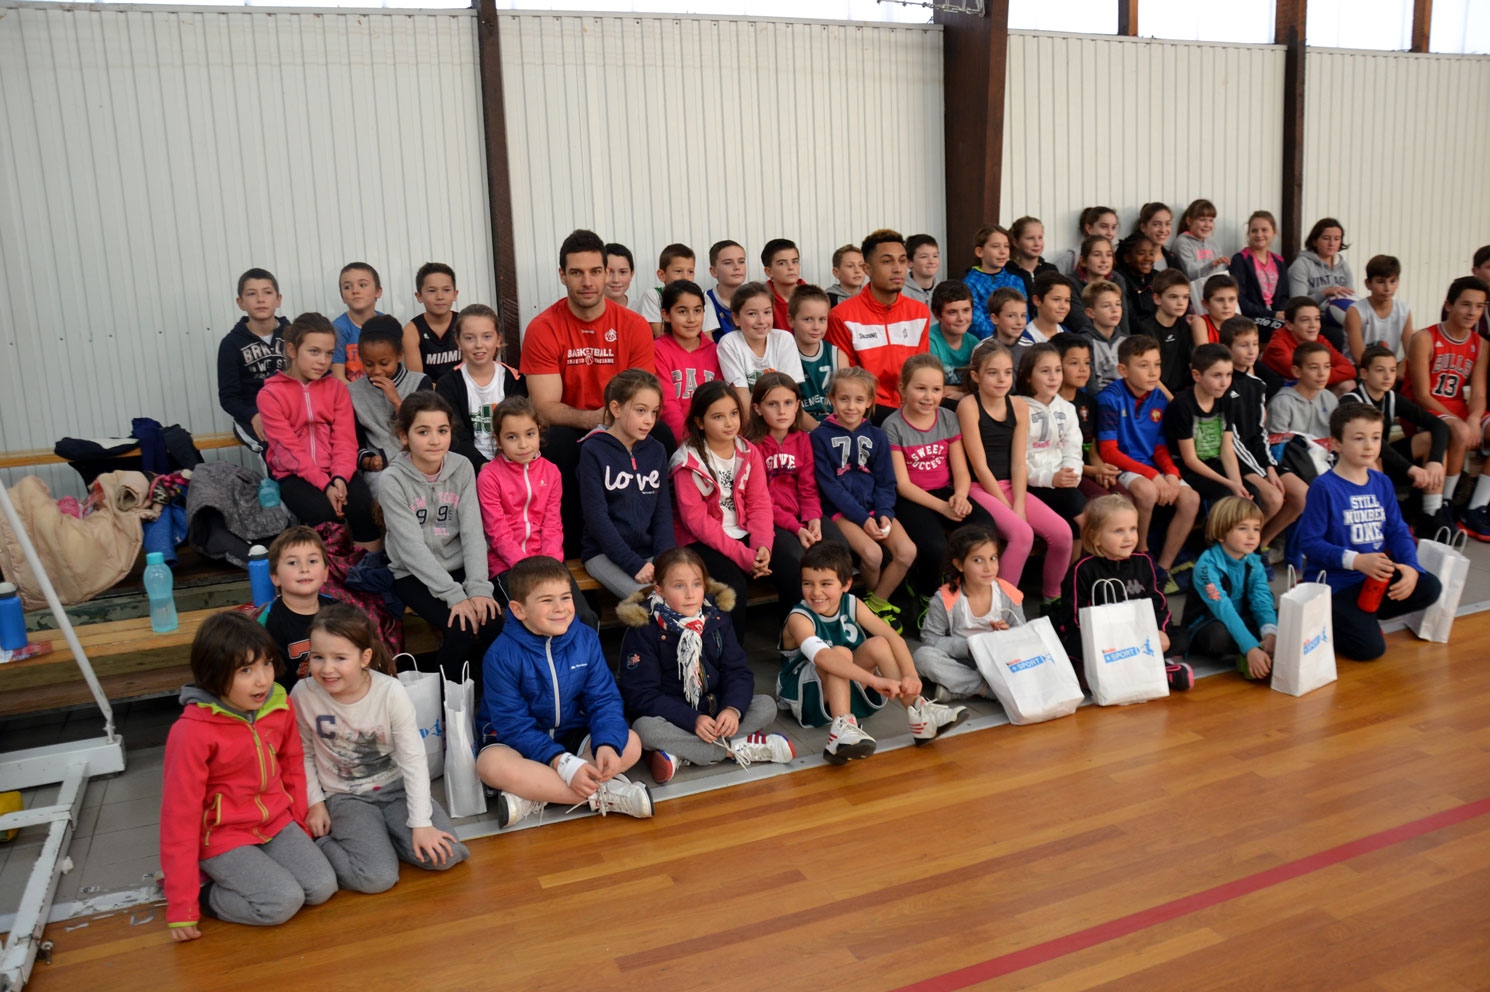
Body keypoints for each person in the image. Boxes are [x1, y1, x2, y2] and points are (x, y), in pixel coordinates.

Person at [160, 613, 336, 940]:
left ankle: (255, 874)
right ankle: (204, 892)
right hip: (222, 836)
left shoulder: (277, 706)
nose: (263, 680)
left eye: (267, 664)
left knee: (321, 886)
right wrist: (181, 905)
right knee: (281, 902)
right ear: (213, 673)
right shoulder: (190, 732)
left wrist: (297, 825)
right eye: (245, 671)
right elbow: (178, 817)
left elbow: (293, 767)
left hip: (274, 823)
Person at [293, 604, 469, 894]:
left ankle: (384, 836)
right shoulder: (303, 694)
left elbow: (413, 760)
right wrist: (315, 803)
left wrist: (421, 823)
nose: (326, 668)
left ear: (364, 657)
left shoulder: (390, 692)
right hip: (346, 797)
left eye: (339, 658)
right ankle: (331, 844)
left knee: (448, 855)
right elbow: (304, 753)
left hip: (395, 789)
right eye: (318, 657)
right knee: (377, 878)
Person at [476, 555, 653, 828]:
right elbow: (513, 726)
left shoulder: (585, 638)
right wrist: (565, 765)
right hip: (519, 746)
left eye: (565, 598)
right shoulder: (500, 656)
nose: (560, 608)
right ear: (519, 610)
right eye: (546, 600)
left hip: (573, 735)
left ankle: (535, 797)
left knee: (629, 743)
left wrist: (605, 743)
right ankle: (605, 796)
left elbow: (603, 699)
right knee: (490, 765)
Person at [522, 229, 660, 558]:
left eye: (596, 272)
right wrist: (595, 419)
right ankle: (572, 554)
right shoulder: (543, 327)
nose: (587, 281)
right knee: (559, 448)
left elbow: (644, 397)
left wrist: (616, 422)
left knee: (661, 439)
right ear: (562, 275)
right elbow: (544, 408)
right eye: (577, 272)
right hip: (571, 427)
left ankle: (655, 546)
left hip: (623, 421)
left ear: (606, 273)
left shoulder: (634, 325)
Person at [616, 547, 795, 784]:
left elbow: (737, 671)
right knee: (644, 729)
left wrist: (732, 709)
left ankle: (681, 753)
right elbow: (642, 695)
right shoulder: (644, 628)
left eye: (697, 584)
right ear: (659, 589)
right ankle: (734, 749)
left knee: (766, 706)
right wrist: (692, 720)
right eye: (679, 586)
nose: (690, 594)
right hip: (673, 717)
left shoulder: (716, 618)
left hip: (714, 709)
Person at [778, 541, 966, 762]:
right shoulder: (799, 617)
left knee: (878, 643)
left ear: (846, 584)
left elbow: (892, 637)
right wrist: (874, 681)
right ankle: (842, 730)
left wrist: (910, 675)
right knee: (840, 653)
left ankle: (920, 713)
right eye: (808, 583)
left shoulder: (852, 603)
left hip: (845, 686)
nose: (816, 592)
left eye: (826, 583)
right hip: (805, 698)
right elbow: (823, 657)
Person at [1295, 404, 1443, 661]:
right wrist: (1356, 560)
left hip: (1374, 579)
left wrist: (1409, 565)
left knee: (1429, 585)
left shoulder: (1381, 482)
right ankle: (1337, 618)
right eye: (1359, 438)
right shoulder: (1324, 487)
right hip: (1335, 584)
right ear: (1336, 444)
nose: (1369, 446)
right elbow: (1310, 543)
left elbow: (1397, 529)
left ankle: (1364, 616)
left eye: (1375, 438)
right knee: (1370, 650)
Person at [381, 392, 500, 683]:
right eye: (423, 431)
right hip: (412, 573)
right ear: (404, 436)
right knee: (458, 626)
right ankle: (448, 709)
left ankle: (494, 703)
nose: (435, 440)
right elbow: (410, 550)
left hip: (457, 564)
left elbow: (473, 532)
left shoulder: (461, 468)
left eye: (442, 431)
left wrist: (479, 589)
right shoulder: (392, 480)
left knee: (492, 620)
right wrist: (454, 595)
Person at [959, 339, 1073, 604]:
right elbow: (979, 465)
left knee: (1063, 534)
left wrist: (1019, 504)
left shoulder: (1019, 406)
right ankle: (1003, 606)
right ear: (976, 376)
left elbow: (1019, 462)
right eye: (992, 373)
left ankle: (1052, 599)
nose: (1002, 379)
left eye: (1007, 372)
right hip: (980, 487)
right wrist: (1005, 504)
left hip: (1012, 485)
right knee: (1022, 533)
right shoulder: (969, 406)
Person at [257, 312, 381, 549]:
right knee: (323, 512)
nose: (322, 361)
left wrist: (340, 478)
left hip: (337, 470)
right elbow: (288, 451)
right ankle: (330, 581)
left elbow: (345, 441)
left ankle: (370, 577)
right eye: (314, 352)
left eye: (328, 353)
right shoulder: (270, 395)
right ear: (292, 350)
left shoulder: (336, 389)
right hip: (293, 474)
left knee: (362, 505)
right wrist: (325, 485)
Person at [476, 396, 599, 628]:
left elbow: (552, 524)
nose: (523, 444)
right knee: (538, 620)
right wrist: (530, 570)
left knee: (584, 618)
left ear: (539, 433)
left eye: (529, 434)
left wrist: (549, 566)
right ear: (499, 441)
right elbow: (497, 533)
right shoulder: (489, 477)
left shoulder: (551, 472)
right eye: (512, 437)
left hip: (548, 562)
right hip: (507, 567)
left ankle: (584, 664)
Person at [882, 355, 996, 605]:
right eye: (920, 388)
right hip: (912, 499)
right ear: (903, 388)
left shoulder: (947, 418)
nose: (928, 396)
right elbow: (903, 484)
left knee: (984, 526)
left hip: (947, 492)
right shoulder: (893, 426)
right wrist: (943, 508)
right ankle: (927, 596)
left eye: (936, 389)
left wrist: (960, 496)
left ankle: (968, 588)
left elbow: (961, 471)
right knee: (935, 546)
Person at [669, 381, 774, 643]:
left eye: (734, 413)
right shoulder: (687, 461)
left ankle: (795, 644)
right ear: (700, 422)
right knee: (733, 587)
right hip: (702, 540)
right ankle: (733, 658)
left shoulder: (749, 452)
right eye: (718, 416)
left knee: (794, 564)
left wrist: (763, 547)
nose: (729, 423)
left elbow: (760, 502)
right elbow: (697, 523)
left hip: (746, 531)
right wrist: (744, 556)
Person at [813, 367, 916, 631]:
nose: (851, 406)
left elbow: (886, 482)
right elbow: (829, 486)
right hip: (841, 511)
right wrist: (861, 518)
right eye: (844, 399)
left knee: (906, 551)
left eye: (859, 400)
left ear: (869, 402)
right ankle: (873, 610)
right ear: (832, 399)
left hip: (874, 507)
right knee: (872, 554)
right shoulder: (819, 437)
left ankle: (875, 605)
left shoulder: (877, 435)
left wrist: (883, 512)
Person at [1095, 335, 1200, 592]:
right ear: (1123, 370)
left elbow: (1159, 446)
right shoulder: (1109, 399)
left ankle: (1162, 568)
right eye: (1144, 365)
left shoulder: (1159, 399)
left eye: (1157, 364)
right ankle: (1139, 553)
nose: (1153, 372)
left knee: (1191, 499)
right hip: (1123, 466)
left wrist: (1172, 474)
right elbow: (1108, 452)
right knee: (1147, 491)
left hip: (1149, 466)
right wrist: (1152, 474)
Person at [1054, 494, 1191, 690]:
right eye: (1118, 531)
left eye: (1133, 529)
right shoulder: (1082, 570)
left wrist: (1160, 630)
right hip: (1102, 641)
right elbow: (1071, 617)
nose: (1128, 537)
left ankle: (1148, 670)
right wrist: (1105, 640)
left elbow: (1158, 604)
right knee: (1073, 648)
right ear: (1095, 537)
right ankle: (1156, 670)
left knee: (1179, 638)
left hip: (1140, 635)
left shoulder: (1144, 563)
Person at [1402, 276, 1490, 539]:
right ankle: (1442, 506)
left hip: (1457, 409)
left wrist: (1474, 418)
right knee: (1456, 432)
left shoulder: (1480, 344)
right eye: (1465, 304)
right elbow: (1421, 394)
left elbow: (1479, 394)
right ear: (1449, 305)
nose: (1472, 312)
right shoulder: (1425, 338)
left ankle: (1475, 508)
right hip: (1423, 409)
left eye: (1479, 306)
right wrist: (1458, 421)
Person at [748, 372, 846, 605]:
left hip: (803, 512)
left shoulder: (803, 440)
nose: (782, 411)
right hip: (771, 519)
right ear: (758, 408)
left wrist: (812, 518)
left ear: (797, 406)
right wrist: (796, 527)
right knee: (795, 558)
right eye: (773, 404)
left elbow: (808, 488)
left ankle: (831, 614)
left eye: (788, 403)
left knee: (839, 547)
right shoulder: (752, 447)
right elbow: (761, 499)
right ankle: (793, 626)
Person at [578, 370, 674, 599]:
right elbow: (596, 518)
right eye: (640, 411)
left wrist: (664, 561)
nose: (649, 420)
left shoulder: (656, 450)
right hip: (604, 554)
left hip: (651, 553)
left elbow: (662, 513)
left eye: (654, 412)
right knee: (655, 603)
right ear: (616, 408)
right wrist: (632, 564)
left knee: (690, 596)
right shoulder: (593, 450)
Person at [1340, 345, 1450, 535]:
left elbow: (1439, 425)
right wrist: (1410, 468)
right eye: (1380, 370)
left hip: (1386, 461)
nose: (1388, 376)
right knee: (1373, 456)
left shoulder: (1391, 397)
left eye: (1392, 370)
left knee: (1429, 439)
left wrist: (1435, 461)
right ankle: (1385, 523)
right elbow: (1375, 446)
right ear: (1364, 373)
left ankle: (1431, 515)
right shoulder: (1351, 401)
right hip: (1354, 466)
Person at [1221, 316, 1307, 552]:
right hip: (1234, 459)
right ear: (1227, 349)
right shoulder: (1222, 384)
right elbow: (1232, 438)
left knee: (1302, 494)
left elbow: (1259, 432)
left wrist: (1269, 467)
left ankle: (1261, 545)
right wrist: (1261, 473)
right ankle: (1238, 549)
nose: (1251, 351)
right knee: (1273, 497)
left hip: (1257, 458)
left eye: (1255, 343)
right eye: (1243, 345)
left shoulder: (1257, 384)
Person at [827, 229, 932, 417]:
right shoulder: (842, 316)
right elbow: (848, 383)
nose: (898, 268)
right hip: (867, 410)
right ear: (867, 269)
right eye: (887, 261)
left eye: (901, 260)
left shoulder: (919, 312)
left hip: (912, 405)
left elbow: (921, 369)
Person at [913, 524, 1025, 701]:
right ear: (959, 564)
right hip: (959, 662)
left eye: (993, 558)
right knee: (923, 657)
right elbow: (930, 640)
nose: (988, 567)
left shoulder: (1008, 595)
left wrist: (1006, 636)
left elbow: (1023, 638)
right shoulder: (945, 598)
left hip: (996, 661)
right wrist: (968, 647)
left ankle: (956, 688)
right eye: (978, 560)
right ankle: (984, 689)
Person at [1164, 344, 1267, 512]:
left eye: (1228, 375)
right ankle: (1217, 537)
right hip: (1187, 468)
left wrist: (1238, 484)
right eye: (1217, 375)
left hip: (1213, 462)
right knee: (1224, 494)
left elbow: (1226, 449)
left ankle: (1246, 537)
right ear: (1197, 375)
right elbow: (1190, 459)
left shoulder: (1225, 401)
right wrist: (1229, 483)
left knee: (1251, 493)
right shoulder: (1182, 405)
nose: (1224, 382)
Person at [1183, 497, 1278, 680]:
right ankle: (1253, 651)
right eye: (1243, 528)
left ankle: (1263, 648)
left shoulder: (1254, 561)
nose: (1252, 536)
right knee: (1218, 636)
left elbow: (1262, 601)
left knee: (1284, 617)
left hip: (1241, 617)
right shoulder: (1206, 566)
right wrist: (1250, 647)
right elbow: (1223, 609)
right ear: (1221, 533)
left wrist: (1270, 634)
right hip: (1209, 623)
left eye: (1256, 529)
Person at [433, 303, 525, 473]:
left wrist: (503, 465)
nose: (478, 345)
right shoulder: (448, 384)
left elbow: (521, 428)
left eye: (486, 337)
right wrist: (482, 465)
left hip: (513, 462)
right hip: (467, 466)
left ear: (498, 339)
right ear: (458, 342)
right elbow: (455, 436)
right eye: (469, 338)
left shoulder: (515, 379)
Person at [349, 315, 432, 497]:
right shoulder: (353, 392)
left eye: (384, 363)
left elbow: (426, 428)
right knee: (386, 486)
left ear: (399, 356)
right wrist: (368, 461)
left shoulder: (419, 382)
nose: (377, 370)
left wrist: (397, 401)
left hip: (418, 461)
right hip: (380, 469)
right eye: (368, 364)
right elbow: (355, 440)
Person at [217, 267, 288, 456]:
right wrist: (253, 415)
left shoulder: (294, 335)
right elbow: (228, 397)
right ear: (241, 302)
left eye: (267, 292)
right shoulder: (231, 344)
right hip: (253, 416)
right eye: (251, 294)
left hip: (291, 411)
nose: (261, 299)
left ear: (278, 299)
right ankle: (273, 485)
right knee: (275, 453)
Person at [256, 525, 336, 690]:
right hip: (291, 703)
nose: (304, 569)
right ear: (275, 577)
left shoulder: (339, 611)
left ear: (326, 572)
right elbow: (273, 682)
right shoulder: (270, 622)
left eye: (312, 561)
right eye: (292, 562)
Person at [1019, 343, 1087, 531]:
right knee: (1073, 504)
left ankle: (1082, 558)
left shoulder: (1067, 409)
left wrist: (1071, 475)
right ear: (1027, 377)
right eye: (1045, 371)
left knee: (1075, 514)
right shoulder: (1019, 409)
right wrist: (1050, 478)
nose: (1053, 377)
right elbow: (1019, 460)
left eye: (1057, 370)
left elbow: (1073, 449)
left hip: (1065, 482)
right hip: (1033, 483)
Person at [717, 280, 806, 410]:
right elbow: (743, 402)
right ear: (736, 318)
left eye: (767, 312)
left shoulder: (784, 339)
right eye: (752, 314)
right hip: (751, 423)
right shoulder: (730, 343)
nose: (761, 321)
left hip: (783, 417)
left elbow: (790, 398)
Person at [652, 279, 722, 441]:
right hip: (674, 439)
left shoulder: (715, 351)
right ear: (666, 315)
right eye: (682, 311)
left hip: (711, 437)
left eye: (697, 311)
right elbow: (667, 405)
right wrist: (689, 441)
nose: (691, 319)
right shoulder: (659, 350)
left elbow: (720, 401)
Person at [1053, 333, 1118, 499]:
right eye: (1074, 363)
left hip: (1089, 469)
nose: (1083, 369)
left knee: (1123, 497)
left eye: (1087, 363)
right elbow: (1054, 456)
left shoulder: (1090, 402)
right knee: (1105, 504)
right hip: (1064, 474)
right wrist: (1093, 471)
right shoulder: (1049, 405)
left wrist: (1101, 471)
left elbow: (1093, 450)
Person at [1261, 297, 1358, 396]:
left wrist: (1321, 374)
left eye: (1317, 319)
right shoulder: (1277, 345)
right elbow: (1301, 375)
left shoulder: (1319, 340)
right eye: (1305, 320)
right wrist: (1325, 373)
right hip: (1284, 396)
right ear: (1290, 325)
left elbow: (1349, 369)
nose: (1313, 325)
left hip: (1310, 387)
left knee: (1348, 385)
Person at [1288, 218, 1355, 350]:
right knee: (1341, 338)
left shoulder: (1343, 266)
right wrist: (1324, 293)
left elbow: (1351, 297)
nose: (1332, 243)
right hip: (1316, 319)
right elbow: (1297, 303)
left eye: (1336, 239)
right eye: (1326, 238)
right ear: (1314, 241)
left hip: (1341, 318)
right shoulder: (1302, 265)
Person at [635, 243, 721, 340]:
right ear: (662, 275)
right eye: (678, 271)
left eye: (690, 272)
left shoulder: (703, 296)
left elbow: (707, 337)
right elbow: (660, 334)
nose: (685, 277)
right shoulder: (654, 296)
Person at [1344, 255, 1413, 365]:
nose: (1387, 288)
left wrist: (1398, 373)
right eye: (1381, 282)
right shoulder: (1355, 311)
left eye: (1392, 281)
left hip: (1389, 368)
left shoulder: (1404, 310)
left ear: (1398, 282)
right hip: (1359, 368)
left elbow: (1410, 353)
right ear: (1368, 284)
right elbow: (1359, 357)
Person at [1140, 268, 1198, 397]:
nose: (1181, 303)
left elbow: (1192, 364)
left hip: (1183, 392)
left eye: (1185, 297)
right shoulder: (1145, 329)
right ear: (1157, 299)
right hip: (1155, 394)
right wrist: (1172, 400)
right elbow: (1148, 373)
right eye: (1173, 297)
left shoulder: (1185, 326)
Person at [1268, 341, 1340, 443]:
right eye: (1314, 367)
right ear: (1297, 372)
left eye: (1327, 367)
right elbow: (1277, 445)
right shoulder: (1282, 403)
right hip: (1294, 456)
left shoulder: (1330, 398)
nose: (1322, 373)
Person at [400, 262, 461, 383]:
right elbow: (417, 381)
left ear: (455, 294)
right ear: (419, 296)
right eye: (432, 291)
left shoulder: (465, 324)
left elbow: (475, 370)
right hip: (430, 396)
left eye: (446, 290)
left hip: (464, 391)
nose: (440, 296)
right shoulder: (411, 331)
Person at [1062, 235, 1131, 337]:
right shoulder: (1071, 283)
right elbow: (1079, 320)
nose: (1104, 260)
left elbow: (1123, 318)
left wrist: (1124, 344)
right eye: (1097, 255)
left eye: (1109, 255)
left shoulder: (1117, 280)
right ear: (1083, 261)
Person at [791, 283, 842, 422]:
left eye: (822, 320)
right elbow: (787, 407)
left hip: (832, 426)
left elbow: (844, 401)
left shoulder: (837, 356)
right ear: (791, 320)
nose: (816, 327)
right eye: (808, 319)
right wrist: (819, 431)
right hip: (798, 427)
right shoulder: (784, 354)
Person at [964, 224, 1024, 341]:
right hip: (988, 345)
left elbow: (1024, 316)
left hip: (1016, 341)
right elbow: (977, 324)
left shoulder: (1016, 281)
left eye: (1006, 246)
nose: (1002, 252)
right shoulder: (970, 284)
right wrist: (1001, 340)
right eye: (995, 246)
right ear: (980, 252)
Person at [1229, 210, 1287, 324]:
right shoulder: (1240, 260)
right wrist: (1272, 314)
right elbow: (1239, 298)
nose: (1259, 235)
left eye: (1264, 230)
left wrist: (1281, 312)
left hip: (1275, 316)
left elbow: (1284, 295)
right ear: (1249, 233)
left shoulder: (1279, 261)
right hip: (1250, 317)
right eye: (1254, 231)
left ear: (1274, 232)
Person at [331, 262, 385, 383]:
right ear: (342, 297)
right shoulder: (338, 329)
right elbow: (338, 378)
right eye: (347, 287)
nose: (355, 291)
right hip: (351, 395)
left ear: (378, 291)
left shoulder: (386, 324)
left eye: (362, 285)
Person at [1075, 278, 1127, 394]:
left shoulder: (1126, 341)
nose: (1115, 310)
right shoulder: (1085, 341)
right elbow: (1090, 386)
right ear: (1090, 313)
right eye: (1106, 306)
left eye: (1118, 304)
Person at [928, 280, 978, 402]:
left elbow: (981, 386)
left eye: (966, 310)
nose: (961, 318)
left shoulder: (975, 343)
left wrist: (963, 394)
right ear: (937, 314)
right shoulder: (929, 341)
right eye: (952, 312)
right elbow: (932, 388)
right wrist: (966, 390)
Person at [1007, 216, 1058, 318]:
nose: (1037, 243)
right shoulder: (1008, 271)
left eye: (1040, 237)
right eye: (1030, 238)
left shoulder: (1050, 270)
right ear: (1016, 242)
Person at [1052, 205, 1120, 277]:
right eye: (1104, 227)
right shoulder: (1072, 257)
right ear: (1089, 228)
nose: (1110, 233)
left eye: (1113, 227)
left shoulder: (1118, 253)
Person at [1173, 198, 1230, 283]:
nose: (1207, 225)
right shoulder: (1183, 242)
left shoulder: (1214, 244)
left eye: (1211, 220)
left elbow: (1221, 274)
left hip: (1214, 291)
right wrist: (1211, 265)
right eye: (1202, 220)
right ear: (1189, 221)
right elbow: (1190, 274)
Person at [1117, 202, 1183, 274]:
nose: (1163, 230)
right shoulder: (1129, 258)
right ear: (1143, 227)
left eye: (1167, 224)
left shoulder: (1172, 259)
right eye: (1156, 224)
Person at [1116, 232, 1161, 325]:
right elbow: (1131, 318)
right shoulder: (1120, 280)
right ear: (1127, 257)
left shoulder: (1157, 276)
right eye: (1141, 253)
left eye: (1151, 253)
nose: (1148, 258)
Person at [706, 239, 748, 337]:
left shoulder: (756, 298)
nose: (737, 267)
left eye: (741, 261)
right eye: (728, 263)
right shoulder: (705, 300)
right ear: (714, 271)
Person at [762, 238, 806, 330]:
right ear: (769, 271)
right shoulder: (761, 299)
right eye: (782, 263)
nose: (791, 267)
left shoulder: (814, 296)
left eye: (795, 261)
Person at [1188, 274, 1241, 348]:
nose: (1226, 306)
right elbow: (1205, 355)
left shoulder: (1241, 322)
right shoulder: (1200, 322)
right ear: (1206, 304)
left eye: (1231, 299)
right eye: (1220, 300)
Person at [988, 287, 1033, 373]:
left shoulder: (1030, 348)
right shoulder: (983, 348)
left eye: (1023, 316)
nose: (1019, 322)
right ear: (995, 318)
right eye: (1011, 316)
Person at [1028, 270, 1074, 343]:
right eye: (1056, 299)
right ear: (1037, 300)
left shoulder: (1070, 337)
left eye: (1067, 301)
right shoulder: (1024, 339)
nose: (1063, 306)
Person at [902, 233, 941, 306]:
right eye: (924, 257)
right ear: (909, 262)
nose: (931, 261)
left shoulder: (944, 290)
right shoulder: (900, 293)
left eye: (935, 256)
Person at [826, 243, 867, 308]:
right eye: (850, 266)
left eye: (860, 265)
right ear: (836, 272)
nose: (857, 270)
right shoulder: (827, 301)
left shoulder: (873, 296)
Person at [603, 242, 637, 312]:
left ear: (632, 274)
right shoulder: (588, 310)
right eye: (609, 272)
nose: (616, 280)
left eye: (623, 272)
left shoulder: (641, 309)